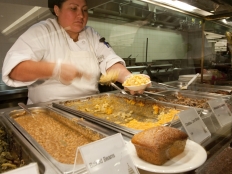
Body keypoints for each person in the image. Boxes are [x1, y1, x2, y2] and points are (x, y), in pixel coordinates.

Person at [2, 0, 146, 104]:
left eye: (84, 9)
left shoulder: (91, 34)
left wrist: (129, 79)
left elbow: (110, 61)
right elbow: (15, 70)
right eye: (73, 8)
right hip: (48, 110)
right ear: (57, 10)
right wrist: (55, 69)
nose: (81, 15)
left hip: (90, 107)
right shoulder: (42, 31)